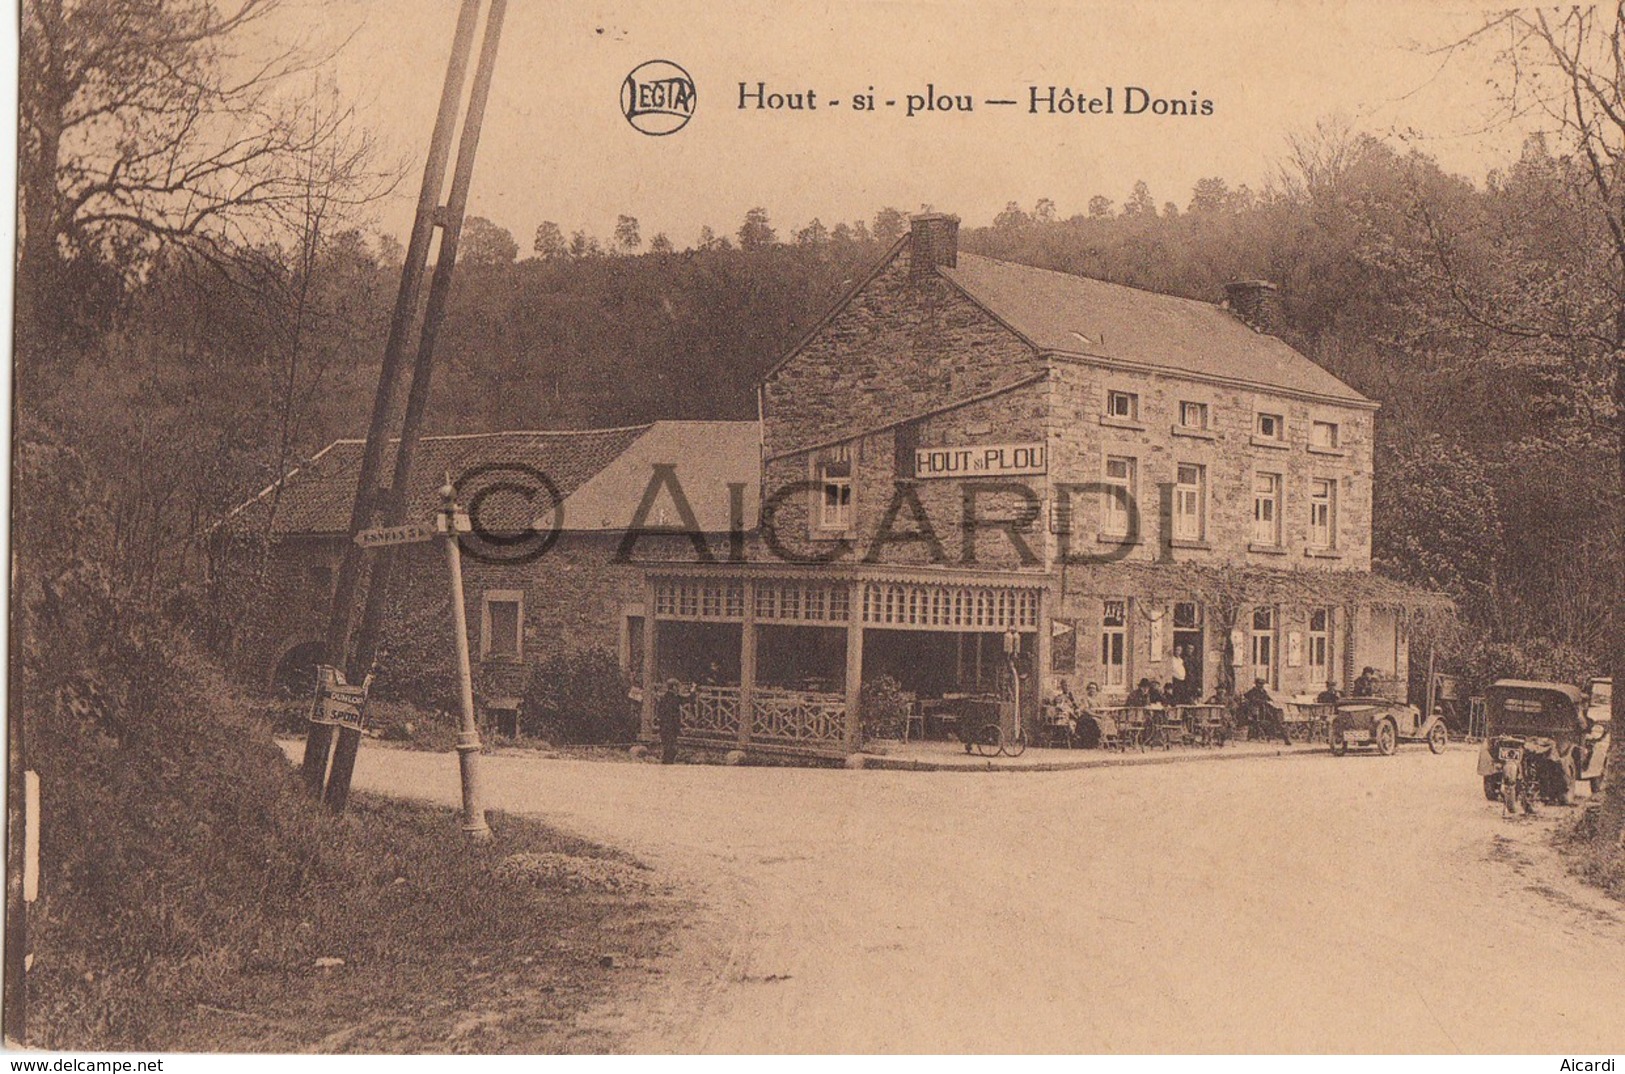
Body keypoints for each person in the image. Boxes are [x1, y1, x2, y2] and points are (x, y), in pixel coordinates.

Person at [656, 677, 685, 764]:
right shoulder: (674, 699)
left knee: (667, 749)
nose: (679, 689)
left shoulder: (664, 698)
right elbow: (687, 700)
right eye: (678, 687)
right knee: (670, 750)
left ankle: (665, 766)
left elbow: (659, 713)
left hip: (664, 727)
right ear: (674, 688)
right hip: (671, 727)